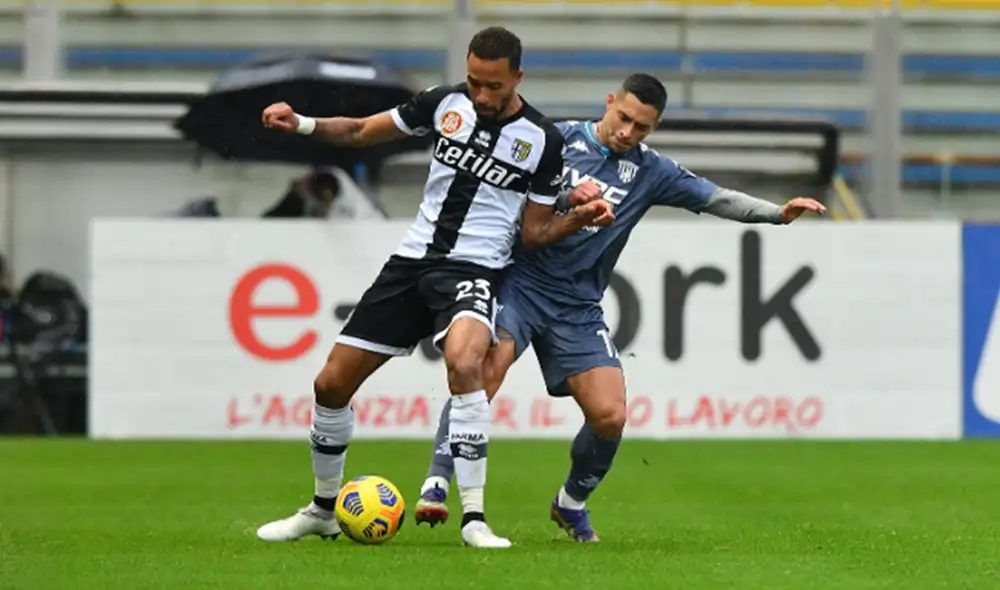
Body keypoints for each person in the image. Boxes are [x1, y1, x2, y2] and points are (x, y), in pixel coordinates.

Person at [412, 73, 827, 542]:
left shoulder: (651, 171)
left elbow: (715, 198)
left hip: (577, 306)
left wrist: (777, 213)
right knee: (487, 367)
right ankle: (438, 478)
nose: (628, 132)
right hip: (519, 283)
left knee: (610, 416)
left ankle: (570, 503)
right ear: (609, 102)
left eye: (642, 127)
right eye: (624, 118)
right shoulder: (556, 139)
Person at [253, 26, 612, 549]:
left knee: (465, 364)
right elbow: (358, 132)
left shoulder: (542, 140)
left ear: (517, 76)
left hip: (474, 270)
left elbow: (533, 234)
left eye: (493, 86)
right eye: (474, 82)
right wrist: (303, 124)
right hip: (412, 262)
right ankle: (323, 509)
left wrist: (579, 219)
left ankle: (473, 519)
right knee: (330, 384)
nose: (482, 96)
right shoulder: (445, 103)